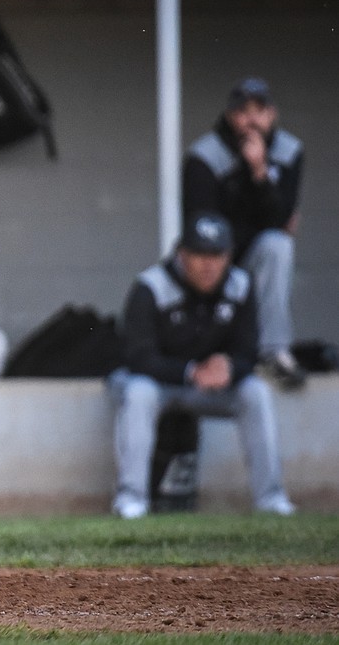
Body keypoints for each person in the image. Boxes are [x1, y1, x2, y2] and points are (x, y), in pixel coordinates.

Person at [107, 210, 296, 520]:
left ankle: (272, 500)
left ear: (229, 255)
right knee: (139, 392)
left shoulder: (240, 285)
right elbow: (138, 357)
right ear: (182, 253)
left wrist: (230, 367)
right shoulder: (151, 286)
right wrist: (191, 371)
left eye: (217, 254)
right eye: (199, 254)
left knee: (255, 392)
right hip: (161, 384)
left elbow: (249, 351)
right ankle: (131, 500)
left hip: (209, 388)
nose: (209, 264)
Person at [183, 77, 306, 389]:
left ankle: (274, 352)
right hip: (215, 263)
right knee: (209, 255)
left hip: (253, 256)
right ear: (229, 116)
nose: (251, 120)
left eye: (259, 110)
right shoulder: (205, 156)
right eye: (242, 112)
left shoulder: (289, 151)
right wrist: (266, 218)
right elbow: (204, 231)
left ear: (272, 114)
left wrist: (260, 173)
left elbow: (281, 222)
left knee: (277, 246)